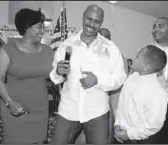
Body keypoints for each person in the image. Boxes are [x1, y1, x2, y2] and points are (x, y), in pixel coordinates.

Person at [49, 4, 127, 144]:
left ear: (101, 22)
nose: (91, 24)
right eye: (89, 19)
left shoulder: (110, 48)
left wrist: (98, 80)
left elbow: (120, 78)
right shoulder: (67, 45)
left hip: (96, 112)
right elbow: (54, 77)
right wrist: (58, 71)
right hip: (69, 109)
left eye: (96, 21)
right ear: (83, 17)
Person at [0, 8, 53, 144]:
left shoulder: (49, 52)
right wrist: (9, 102)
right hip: (15, 110)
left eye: (43, 27)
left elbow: (57, 76)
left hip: (40, 109)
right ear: (26, 27)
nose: (43, 31)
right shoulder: (7, 50)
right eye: (39, 27)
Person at [114, 45, 168, 144]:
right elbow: (122, 104)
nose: (133, 58)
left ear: (146, 67)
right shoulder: (131, 78)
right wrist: (118, 125)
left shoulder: (158, 92)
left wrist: (129, 135)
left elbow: (153, 126)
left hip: (141, 140)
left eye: (137, 57)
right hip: (122, 134)